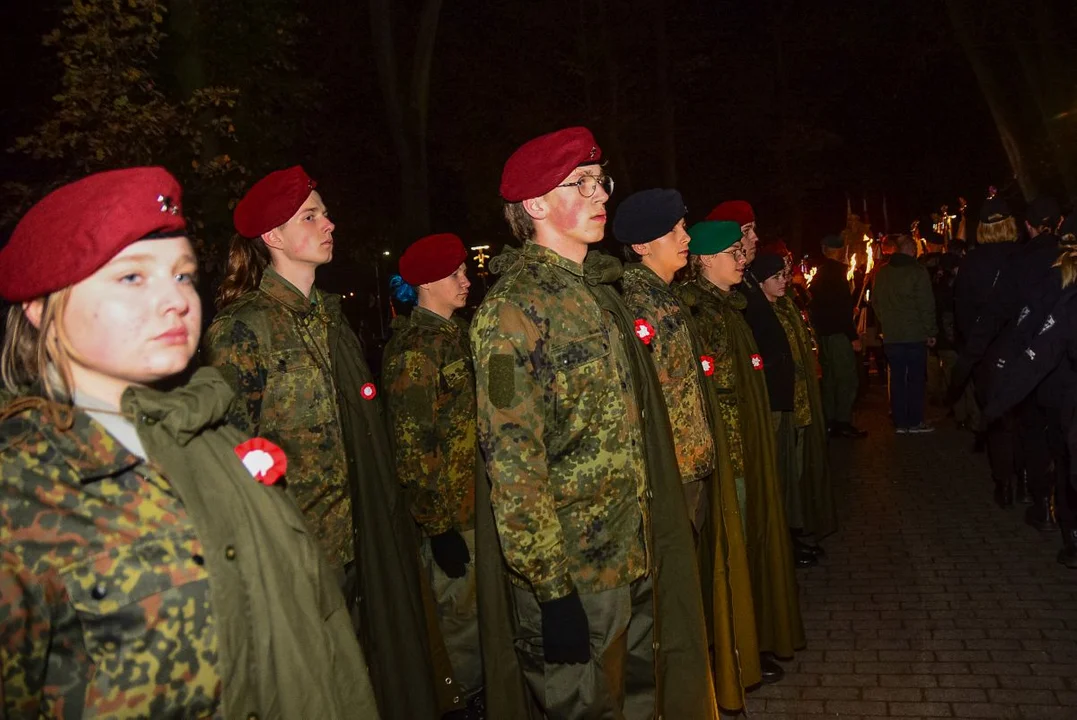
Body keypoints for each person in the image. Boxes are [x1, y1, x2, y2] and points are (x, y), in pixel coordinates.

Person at [0, 167, 378, 718]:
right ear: (41, 310)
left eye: (182, 275)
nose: (175, 300)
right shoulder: (21, 491)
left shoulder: (206, 436)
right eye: (132, 278)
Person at [471, 127, 716, 719]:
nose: (601, 195)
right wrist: (551, 590)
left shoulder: (600, 295)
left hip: (633, 550)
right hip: (576, 570)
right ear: (534, 206)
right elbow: (511, 462)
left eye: (599, 181)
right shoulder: (509, 314)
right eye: (580, 184)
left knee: (641, 700)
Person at [202, 166, 441, 719]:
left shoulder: (330, 320)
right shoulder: (242, 330)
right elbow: (232, 457)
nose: (330, 223)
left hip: (359, 545)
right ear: (273, 237)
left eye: (324, 212)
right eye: (311, 216)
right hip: (298, 559)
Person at [615, 188, 759, 710]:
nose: (686, 237)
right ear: (641, 245)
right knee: (660, 601)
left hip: (689, 466)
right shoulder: (634, 301)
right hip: (666, 475)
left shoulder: (665, 294)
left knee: (684, 594)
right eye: (675, 230)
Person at [676, 219, 805, 684]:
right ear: (706, 259)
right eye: (733, 252)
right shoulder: (699, 311)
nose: (742, 258)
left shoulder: (729, 306)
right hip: (723, 450)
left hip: (742, 444)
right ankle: (729, 650)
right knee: (727, 550)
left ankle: (741, 643)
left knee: (746, 543)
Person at [382, 233, 484, 717]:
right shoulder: (416, 352)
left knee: (480, 616)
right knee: (459, 622)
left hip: (475, 504)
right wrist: (438, 525)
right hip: (449, 512)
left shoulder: (457, 334)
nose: (466, 281)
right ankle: (460, 704)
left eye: (464, 271)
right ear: (425, 284)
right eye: (455, 275)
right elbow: (412, 445)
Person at [708, 201, 814, 568]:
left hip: (772, 396)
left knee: (780, 475)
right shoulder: (733, 287)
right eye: (747, 231)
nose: (754, 238)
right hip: (757, 402)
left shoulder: (747, 279)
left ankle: (786, 539)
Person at [983, 210, 1077, 567]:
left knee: (1057, 451)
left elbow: (1033, 341)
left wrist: (1000, 394)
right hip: (1059, 389)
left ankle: (1053, 516)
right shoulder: (1055, 281)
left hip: (1058, 392)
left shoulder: (1049, 280)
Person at [754, 249, 838, 549]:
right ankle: (787, 535)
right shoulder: (760, 314)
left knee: (798, 471)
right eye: (775, 277)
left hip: (800, 400)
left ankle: (797, 527)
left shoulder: (786, 307)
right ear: (760, 282)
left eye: (784, 275)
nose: (783, 281)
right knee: (783, 473)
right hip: (782, 404)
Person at [953, 191, 1024, 507]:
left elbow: (963, 313)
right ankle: (1022, 477)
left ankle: (1005, 480)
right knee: (1024, 417)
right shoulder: (1025, 256)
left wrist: (972, 346)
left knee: (998, 419)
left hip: (988, 352)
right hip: (1023, 348)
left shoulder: (972, 263)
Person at [871, 233, 938, 434]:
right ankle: (915, 420)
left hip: (892, 336)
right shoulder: (917, 272)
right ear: (910, 250)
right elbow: (926, 304)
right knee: (916, 379)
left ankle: (900, 422)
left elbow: (876, 303)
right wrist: (931, 330)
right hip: (915, 334)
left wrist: (887, 323)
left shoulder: (882, 274)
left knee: (898, 379)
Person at [809, 234, 866, 437]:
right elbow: (840, 309)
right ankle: (842, 422)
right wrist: (853, 336)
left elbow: (819, 307)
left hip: (824, 334)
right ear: (840, 251)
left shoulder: (820, 275)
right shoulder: (837, 275)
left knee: (830, 379)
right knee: (846, 379)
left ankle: (830, 420)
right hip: (838, 335)